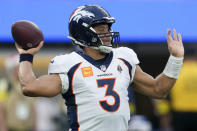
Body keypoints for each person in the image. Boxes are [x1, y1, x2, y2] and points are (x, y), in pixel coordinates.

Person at [15, 5, 184, 131]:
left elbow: (158, 89)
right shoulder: (69, 64)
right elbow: (30, 87)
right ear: (84, 33)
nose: (108, 34)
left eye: (108, 29)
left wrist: (176, 58)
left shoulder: (123, 58)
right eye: (102, 29)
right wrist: (26, 55)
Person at [156, 47, 197, 131]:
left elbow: (166, 95)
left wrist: (164, 118)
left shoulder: (176, 72)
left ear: (184, 57)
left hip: (180, 114)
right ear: (195, 57)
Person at [0, 53, 36, 131]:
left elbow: (34, 108)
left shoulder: (30, 85)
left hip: (27, 128)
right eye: (18, 67)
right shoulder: (5, 85)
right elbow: (1, 109)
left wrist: (35, 127)